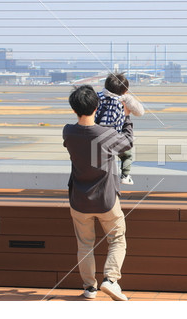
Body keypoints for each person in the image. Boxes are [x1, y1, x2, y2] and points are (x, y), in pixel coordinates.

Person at [63, 85, 133, 301]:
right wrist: (127, 117)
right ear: (97, 106)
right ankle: (111, 280)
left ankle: (89, 288)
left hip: (79, 200)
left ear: (74, 109)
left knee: (84, 244)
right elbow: (128, 143)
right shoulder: (107, 135)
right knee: (117, 239)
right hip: (107, 200)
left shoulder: (68, 131)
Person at [95, 72, 144, 185]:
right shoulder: (123, 100)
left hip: (96, 137)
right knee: (127, 155)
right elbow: (140, 112)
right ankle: (125, 176)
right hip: (114, 138)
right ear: (125, 90)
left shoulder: (98, 97)